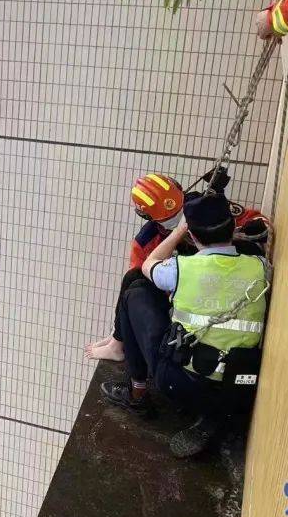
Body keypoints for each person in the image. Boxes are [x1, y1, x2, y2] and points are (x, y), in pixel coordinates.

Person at [100, 192, 270, 458]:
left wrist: (179, 231)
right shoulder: (260, 266)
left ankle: (137, 394)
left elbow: (147, 265)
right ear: (231, 226)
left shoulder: (181, 268)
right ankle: (218, 416)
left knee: (134, 291)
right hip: (240, 382)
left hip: (185, 384)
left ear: (192, 235)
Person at [86, 170, 270, 362]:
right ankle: (117, 339)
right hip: (189, 298)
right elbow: (138, 283)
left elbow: (253, 220)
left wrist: (256, 227)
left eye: (180, 211)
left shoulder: (201, 204)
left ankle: (117, 340)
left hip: (231, 279)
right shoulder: (146, 242)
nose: (180, 220)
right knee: (134, 279)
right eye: (170, 218)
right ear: (149, 217)